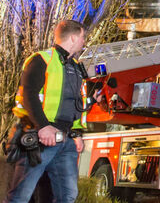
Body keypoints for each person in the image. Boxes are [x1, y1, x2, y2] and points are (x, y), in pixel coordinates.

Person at [4, 20, 98, 203]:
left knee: (67, 196)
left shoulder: (76, 67)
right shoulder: (42, 59)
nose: (84, 41)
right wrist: (43, 127)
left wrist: (76, 133)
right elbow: (28, 95)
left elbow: (75, 105)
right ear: (72, 37)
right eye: (82, 37)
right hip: (41, 138)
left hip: (65, 141)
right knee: (21, 195)